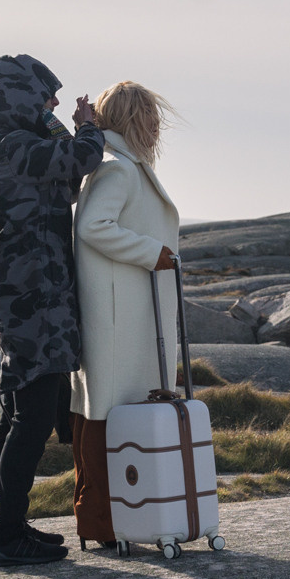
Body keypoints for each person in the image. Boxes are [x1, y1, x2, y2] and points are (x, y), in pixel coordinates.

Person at [0, 54, 105, 567]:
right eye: (45, 95)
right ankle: (7, 538)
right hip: (33, 295)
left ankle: (7, 522)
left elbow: (64, 180)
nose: (54, 102)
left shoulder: (13, 143)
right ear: (22, 97)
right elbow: (81, 161)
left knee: (16, 413)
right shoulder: (15, 145)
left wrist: (58, 124)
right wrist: (88, 127)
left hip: (29, 291)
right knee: (29, 417)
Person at [69, 81, 180, 548]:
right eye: (150, 116)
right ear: (132, 119)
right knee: (107, 418)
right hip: (118, 319)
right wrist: (151, 252)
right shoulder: (118, 168)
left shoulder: (120, 164)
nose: (157, 126)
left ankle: (120, 520)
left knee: (108, 414)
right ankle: (104, 524)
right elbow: (94, 225)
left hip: (126, 315)